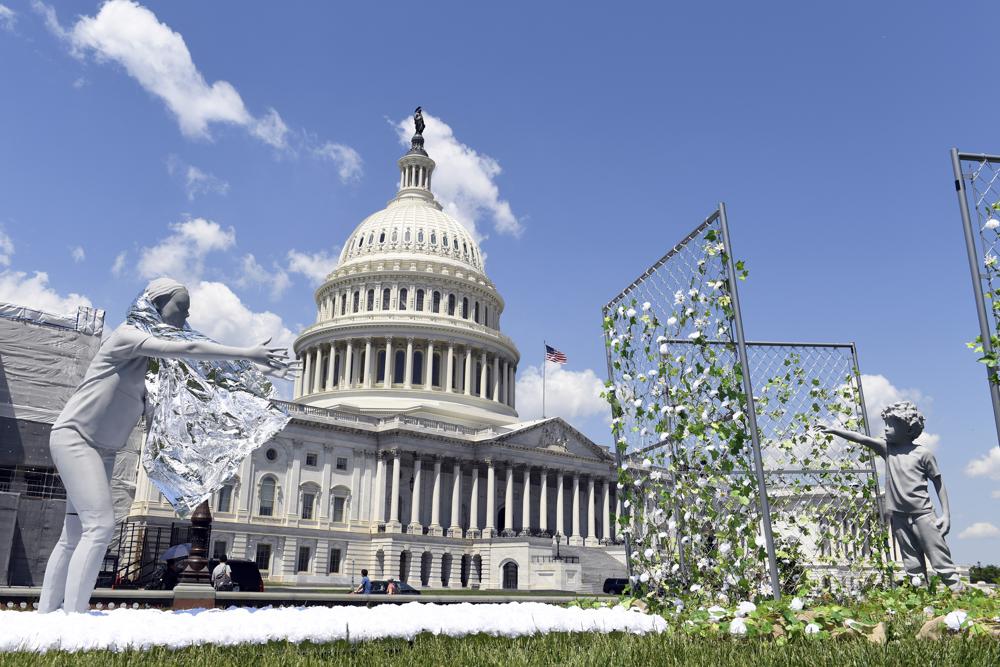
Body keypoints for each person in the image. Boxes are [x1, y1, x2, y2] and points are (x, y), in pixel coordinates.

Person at [38, 278, 293, 614]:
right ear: (156, 304)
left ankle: (47, 614)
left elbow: (189, 376)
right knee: (100, 527)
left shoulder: (151, 365)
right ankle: (73, 616)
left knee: (73, 535)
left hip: (103, 449)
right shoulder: (128, 335)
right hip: (76, 438)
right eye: (180, 308)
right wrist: (246, 354)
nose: (184, 318)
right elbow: (186, 348)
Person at [821, 400, 961, 590]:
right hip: (898, 515)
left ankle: (957, 592)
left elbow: (939, 482)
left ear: (909, 430)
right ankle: (921, 599)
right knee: (911, 562)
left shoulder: (923, 454)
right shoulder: (887, 449)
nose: (886, 429)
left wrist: (946, 514)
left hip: (923, 514)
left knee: (939, 556)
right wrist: (834, 430)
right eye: (886, 424)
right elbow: (861, 439)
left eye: (891, 425)